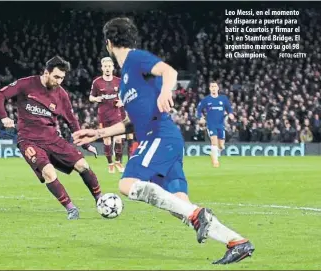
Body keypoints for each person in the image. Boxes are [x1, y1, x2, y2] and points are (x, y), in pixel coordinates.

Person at [72, 17, 254, 264]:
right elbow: (131, 121)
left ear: (108, 44)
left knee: (127, 184)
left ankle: (198, 215)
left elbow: (169, 71)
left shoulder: (135, 59)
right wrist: (99, 133)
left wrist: (167, 91)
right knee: (179, 204)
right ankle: (237, 242)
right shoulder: (126, 82)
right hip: (165, 139)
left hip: (159, 135)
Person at [0, 56, 102, 220]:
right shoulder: (26, 84)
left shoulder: (61, 94)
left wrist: (85, 144)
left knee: (83, 165)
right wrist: (3, 117)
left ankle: (101, 200)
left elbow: (71, 120)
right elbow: (0, 96)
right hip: (29, 141)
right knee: (49, 173)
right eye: (56, 77)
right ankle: (71, 209)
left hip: (53, 139)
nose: (59, 81)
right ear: (46, 73)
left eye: (62, 78)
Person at [89, 57, 125, 173]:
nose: (107, 68)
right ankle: (110, 163)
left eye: (109, 66)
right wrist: (96, 99)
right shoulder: (97, 82)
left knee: (119, 139)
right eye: (105, 66)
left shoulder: (119, 81)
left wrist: (122, 102)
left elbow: (125, 95)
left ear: (113, 68)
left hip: (116, 114)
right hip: (103, 115)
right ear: (102, 68)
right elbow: (91, 97)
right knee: (107, 140)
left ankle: (118, 162)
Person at [196, 82, 235, 167]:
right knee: (214, 142)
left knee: (221, 146)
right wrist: (201, 117)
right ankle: (215, 161)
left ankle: (214, 153)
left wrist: (231, 114)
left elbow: (229, 108)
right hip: (211, 125)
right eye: (212, 86)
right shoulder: (206, 100)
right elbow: (198, 110)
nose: (213, 88)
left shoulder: (223, 99)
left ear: (218, 88)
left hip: (220, 125)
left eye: (215, 86)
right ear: (210, 88)